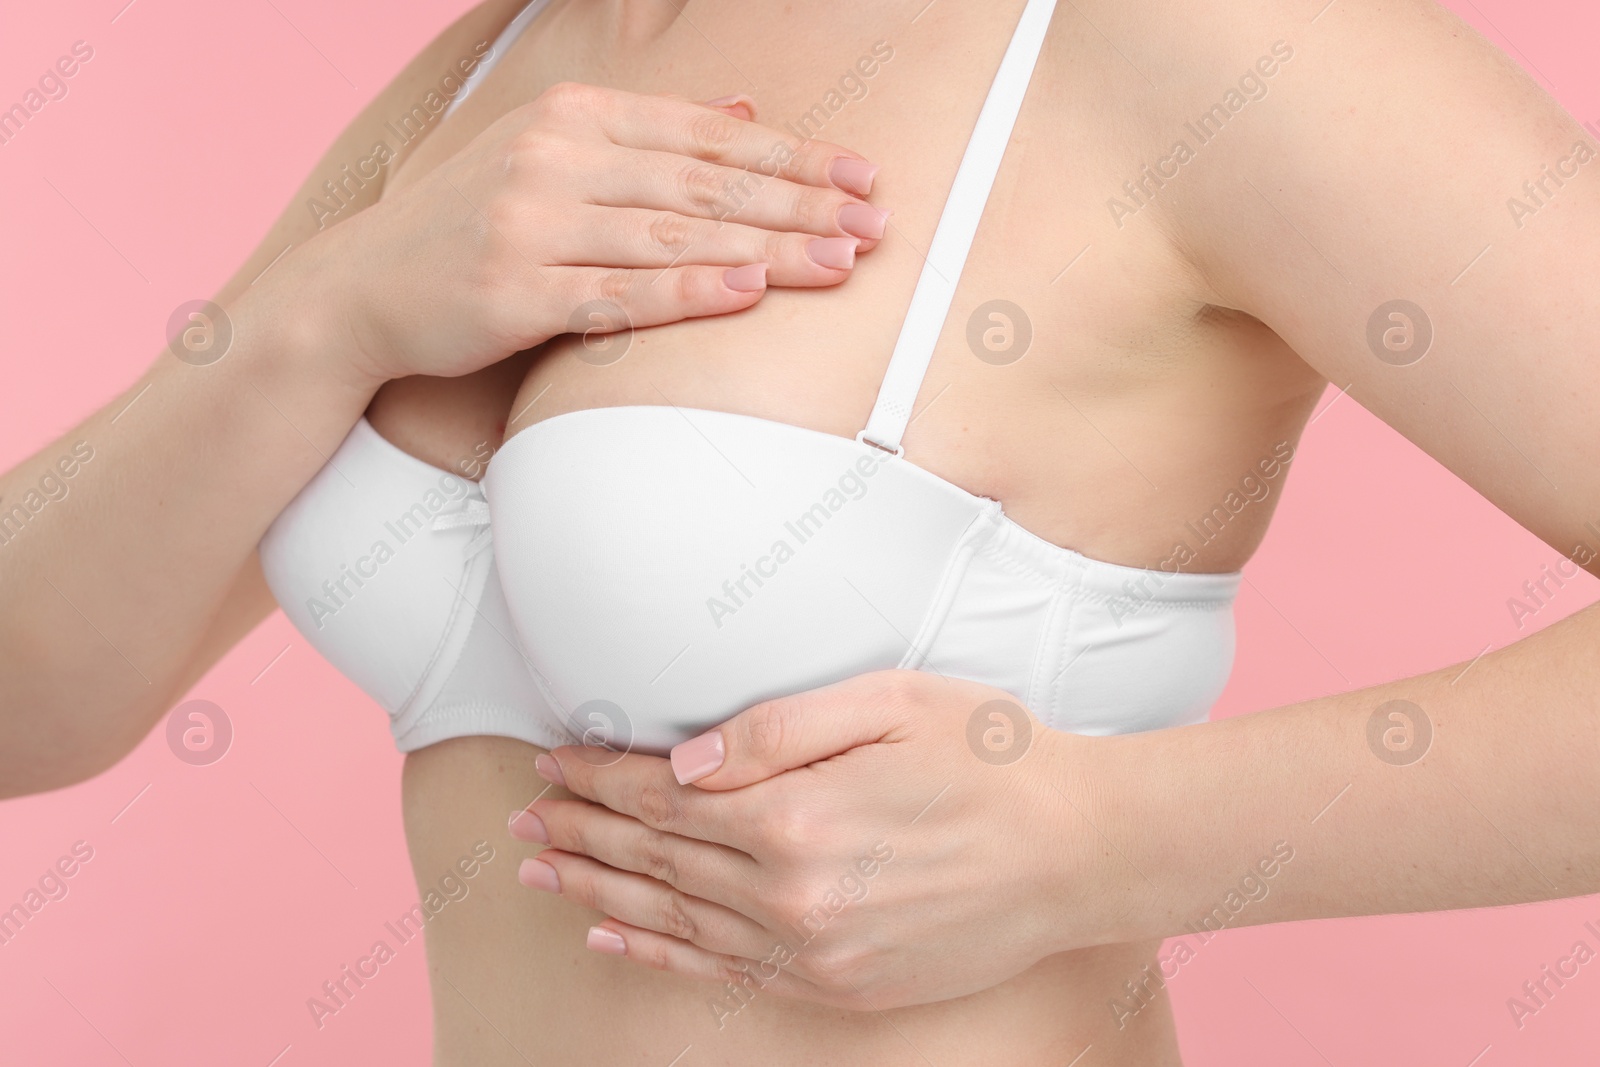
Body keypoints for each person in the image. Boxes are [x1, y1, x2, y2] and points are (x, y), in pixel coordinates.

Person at [5, 0, 1598, 1064]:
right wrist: (321, 316)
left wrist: (1102, 843)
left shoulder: (1191, 41)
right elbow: (29, 703)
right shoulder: (507, 56)